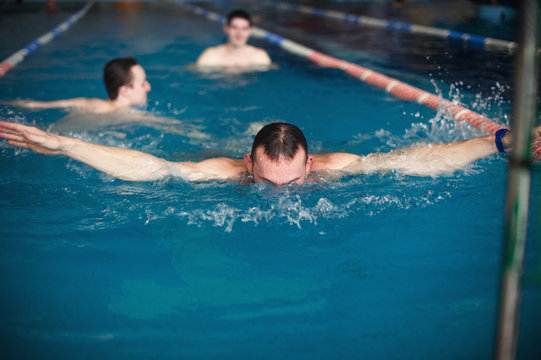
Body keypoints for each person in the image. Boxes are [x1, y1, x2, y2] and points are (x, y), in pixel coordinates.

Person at [1, 121, 535, 185]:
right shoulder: (226, 172)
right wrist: (66, 143)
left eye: (293, 184)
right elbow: (155, 168)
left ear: (311, 162)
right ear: (249, 164)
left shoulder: (337, 167)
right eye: (267, 184)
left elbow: (424, 157)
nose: (281, 199)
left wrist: (495, 142)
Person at [3, 57, 151, 114]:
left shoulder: (88, 103)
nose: (148, 87)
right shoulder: (130, 116)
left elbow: (35, 105)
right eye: (143, 83)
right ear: (124, 90)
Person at [196, 9, 272, 69]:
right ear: (226, 28)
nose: (239, 33)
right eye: (234, 28)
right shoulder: (211, 56)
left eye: (244, 28)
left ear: (250, 31)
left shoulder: (259, 57)